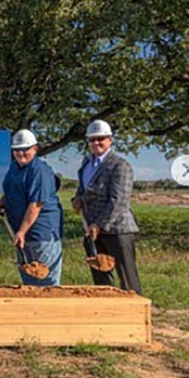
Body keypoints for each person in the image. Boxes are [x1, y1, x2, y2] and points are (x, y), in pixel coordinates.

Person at [73, 120, 141, 293]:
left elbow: (119, 200)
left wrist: (100, 224)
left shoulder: (120, 166)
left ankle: (134, 313)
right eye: (92, 139)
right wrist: (78, 198)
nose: (96, 143)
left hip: (118, 231)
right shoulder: (86, 164)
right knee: (100, 277)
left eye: (100, 138)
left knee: (127, 277)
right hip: (92, 230)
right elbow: (82, 189)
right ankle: (108, 310)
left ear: (110, 140)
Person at [2, 130, 63, 286]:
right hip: (22, 234)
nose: (20, 154)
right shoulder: (14, 167)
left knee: (44, 281)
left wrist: (22, 231)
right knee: (28, 279)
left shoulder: (39, 171)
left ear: (35, 149)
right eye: (16, 150)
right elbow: (14, 192)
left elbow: (35, 204)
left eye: (25, 150)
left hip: (41, 234)